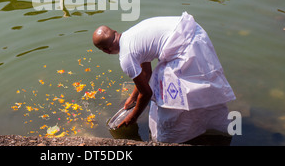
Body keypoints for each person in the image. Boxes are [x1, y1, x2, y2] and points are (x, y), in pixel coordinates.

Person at [92, 12, 236, 144]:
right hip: (196, 34)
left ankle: (170, 139)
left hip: (185, 49)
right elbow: (146, 73)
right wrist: (133, 98)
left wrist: (133, 117)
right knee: (199, 87)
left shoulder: (125, 58)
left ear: (105, 50)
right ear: (115, 32)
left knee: (169, 99)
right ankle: (212, 128)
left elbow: (146, 93)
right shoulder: (131, 35)